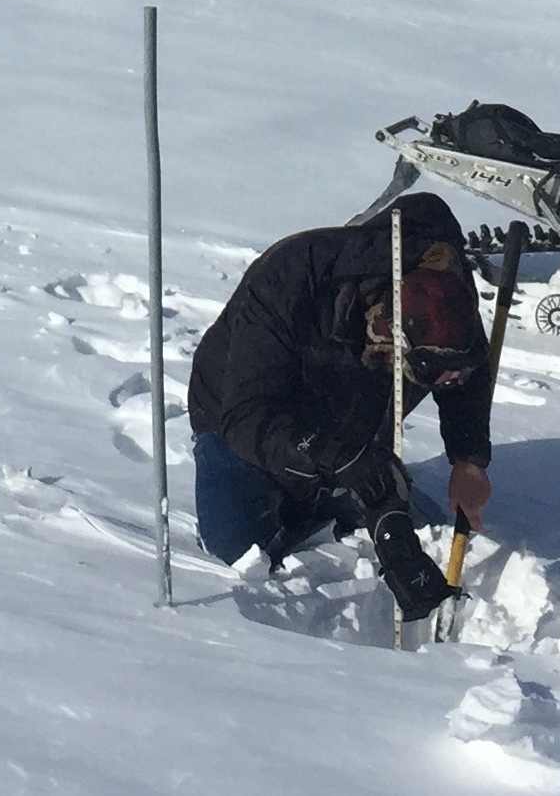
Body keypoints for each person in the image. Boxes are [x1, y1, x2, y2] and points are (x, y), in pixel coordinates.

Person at [184, 190, 491, 621]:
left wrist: (469, 459)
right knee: (237, 545)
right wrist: (340, 458)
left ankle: (331, 494)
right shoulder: (294, 276)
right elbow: (247, 415)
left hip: (351, 416)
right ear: (386, 336)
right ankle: (310, 494)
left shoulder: (446, 292)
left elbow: (468, 377)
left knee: (420, 531)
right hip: (238, 417)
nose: (434, 384)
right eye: (417, 374)